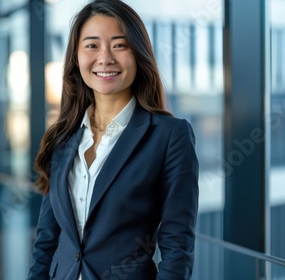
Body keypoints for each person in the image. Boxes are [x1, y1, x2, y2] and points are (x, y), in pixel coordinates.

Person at [27, 0, 199, 279]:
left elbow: (177, 244)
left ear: (138, 54)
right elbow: (46, 240)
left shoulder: (169, 135)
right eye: (92, 45)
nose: (105, 58)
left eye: (119, 45)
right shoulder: (62, 137)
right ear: (76, 57)